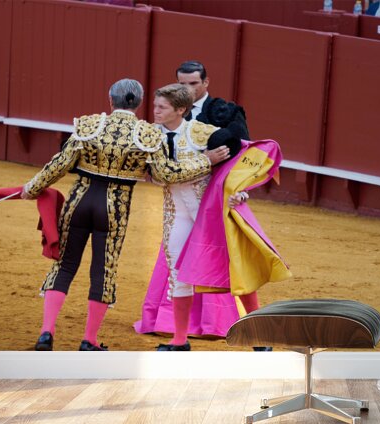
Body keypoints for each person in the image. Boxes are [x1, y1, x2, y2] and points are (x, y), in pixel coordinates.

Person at [23, 79, 228, 352]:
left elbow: (60, 164)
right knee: (103, 270)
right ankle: (90, 340)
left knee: (64, 265)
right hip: (114, 208)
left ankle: (46, 334)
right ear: (140, 103)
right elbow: (165, 174)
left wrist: (31, 188)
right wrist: (206, 161)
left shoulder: (89, 125)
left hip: (80, 200)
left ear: (111, 99)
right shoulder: (147, 135)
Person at [144, 83, 286, 351]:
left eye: (161, 107)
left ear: (180, 110)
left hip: (210, 213)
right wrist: (205, 161)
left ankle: (260, 337)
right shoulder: (151, 136)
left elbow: (241, 158)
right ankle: (179, 339)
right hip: (176, 214)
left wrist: (239, 190)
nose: (155, 111)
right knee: (178, 272)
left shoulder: (203, 133)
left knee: (235, 269)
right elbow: (160, 176)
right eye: (155, 105)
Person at [176, 61, 250, 140]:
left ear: (206, 82)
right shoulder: (169, 110)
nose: (188, 89)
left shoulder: (228, 112)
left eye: (193, 83)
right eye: (182, 84)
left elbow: (244, 147)